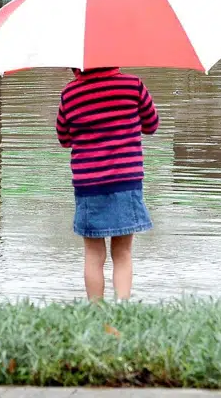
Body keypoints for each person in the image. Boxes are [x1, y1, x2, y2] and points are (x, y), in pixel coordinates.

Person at [55, 65, 159, 301]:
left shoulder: (70, 93)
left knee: (93, 253)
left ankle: (95, 310)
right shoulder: (133, 85)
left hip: (89, 184)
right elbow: (151, 125)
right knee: (122, 252)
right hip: (126, 180)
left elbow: (63, 138)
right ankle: (122, 307)